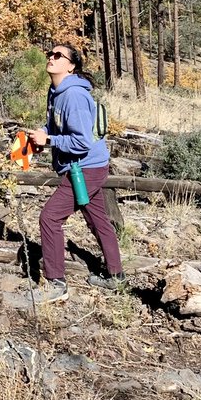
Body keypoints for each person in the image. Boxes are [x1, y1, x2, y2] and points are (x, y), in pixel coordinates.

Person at [26, 42, 125, 304]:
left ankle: (56, 283)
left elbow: (82, 141)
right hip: (80, 166)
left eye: (58, 55)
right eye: (50, 53)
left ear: (70, 66)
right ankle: (116, 276)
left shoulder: (74, 96)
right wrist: (41, 136)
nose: (51, 57)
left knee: (49, 217)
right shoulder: (55, 90)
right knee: (96, 219)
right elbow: (53, 126)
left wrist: (49, 142)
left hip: (87, 168)